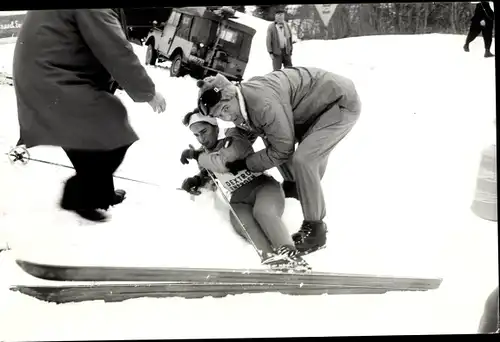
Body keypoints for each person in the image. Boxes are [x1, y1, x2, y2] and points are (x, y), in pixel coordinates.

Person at [13, 9, 167, 222]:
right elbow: (114, 49)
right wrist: (147, 93)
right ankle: (79, 196)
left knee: (87, 143)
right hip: (53, 78)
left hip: (43, 74)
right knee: (114, 128)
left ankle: (99, 194)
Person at [195, 67, 361, 255]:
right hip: (309, 111)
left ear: (232, 94)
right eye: (219, 115)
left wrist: (247, 163)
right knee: (273, 138)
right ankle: (293, 187)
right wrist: (211, 166)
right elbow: (243, 139)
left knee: (305, 160)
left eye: (225, 109)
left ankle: (315, 229)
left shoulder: (262, 103)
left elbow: (282, 150)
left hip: (337, 103)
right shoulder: (242, 104)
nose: (226, 117)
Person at [179, 109, 309, 269]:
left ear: (215, 127)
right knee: (243, 223)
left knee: (263, 212)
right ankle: (270, 258)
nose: (202, 138)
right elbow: (209, 173)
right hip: (239, 200)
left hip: (263, 187)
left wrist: (195, 155)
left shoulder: (234, 137)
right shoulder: (204, 154)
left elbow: (222, 163)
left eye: (204, 131)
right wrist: (196, 180)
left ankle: (290, 253)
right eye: (196, 135)